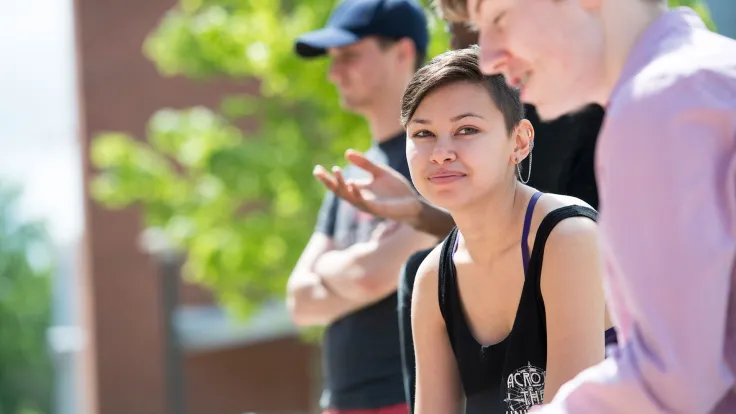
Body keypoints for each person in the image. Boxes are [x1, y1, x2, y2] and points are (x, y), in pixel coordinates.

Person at [411, 0, 736, 412]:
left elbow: (672, 382)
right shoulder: (703, 79)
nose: (489, 56)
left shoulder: (660, 106)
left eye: (498, 19)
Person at [402, 47, 613, 414]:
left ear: (519, 141)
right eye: (423, 133)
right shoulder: (432, 278)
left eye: (466, 129)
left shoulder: (567, 238)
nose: (440, 153)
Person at [286, 1, 437, 414]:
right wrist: (361, 267)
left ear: (403, 52)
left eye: (350, 55)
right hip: (339, 403)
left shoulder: (435, 156)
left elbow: (372, 278)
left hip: (409, 398)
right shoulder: (350, 172)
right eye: (332, 60)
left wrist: (332, 269)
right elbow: (298, 301)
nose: (334, 73)